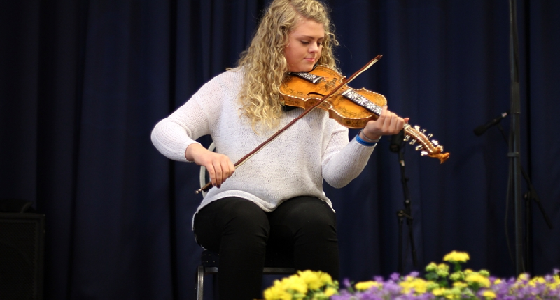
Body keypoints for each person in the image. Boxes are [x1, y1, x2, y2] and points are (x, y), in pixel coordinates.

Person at [151, 0, 407, 298]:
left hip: (295, 210)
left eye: (320, 42)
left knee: (316, 220)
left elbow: (336, 176)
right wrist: (203, 154)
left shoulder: (328, 96)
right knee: (245, 218)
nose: (316, 50)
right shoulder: (229, 86)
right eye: (305, 41)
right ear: (276, 41)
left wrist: (367, 138)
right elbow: (165, 130)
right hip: (228, 210)